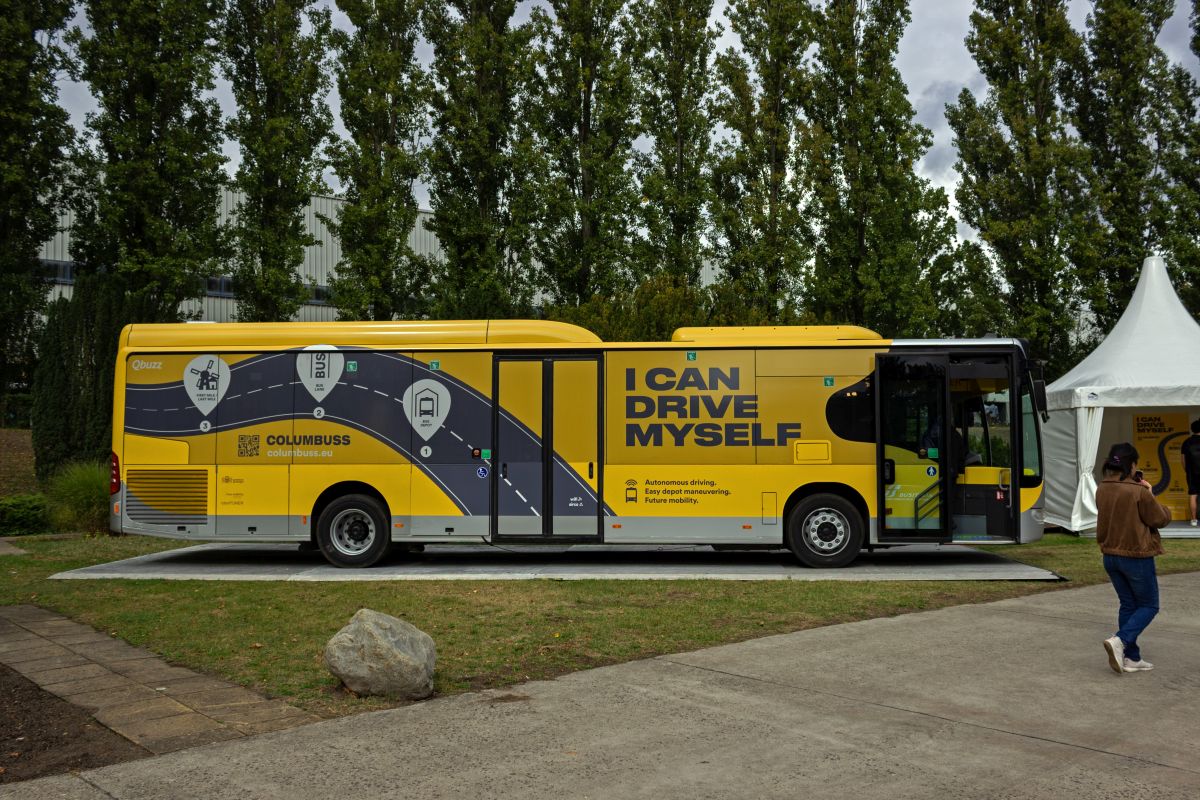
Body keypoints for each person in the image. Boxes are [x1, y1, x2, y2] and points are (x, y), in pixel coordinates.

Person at [1095, 442, 1171, 674]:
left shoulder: (1102, 488)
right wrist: (1150, 493)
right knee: (1149, 605)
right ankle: (1121, 640)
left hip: (1110, 555)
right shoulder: (1138, 491)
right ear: (1132, 465)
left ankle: (1132, 657)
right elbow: (1158, 519)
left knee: (1128, 604)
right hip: (1136, 555)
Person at [1180, 419, 1200, 527]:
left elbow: (1182, 460)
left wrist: (1187, 471)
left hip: (1192, 473)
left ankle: (1193, 520)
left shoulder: (1186, 442)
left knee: (1193, 495)